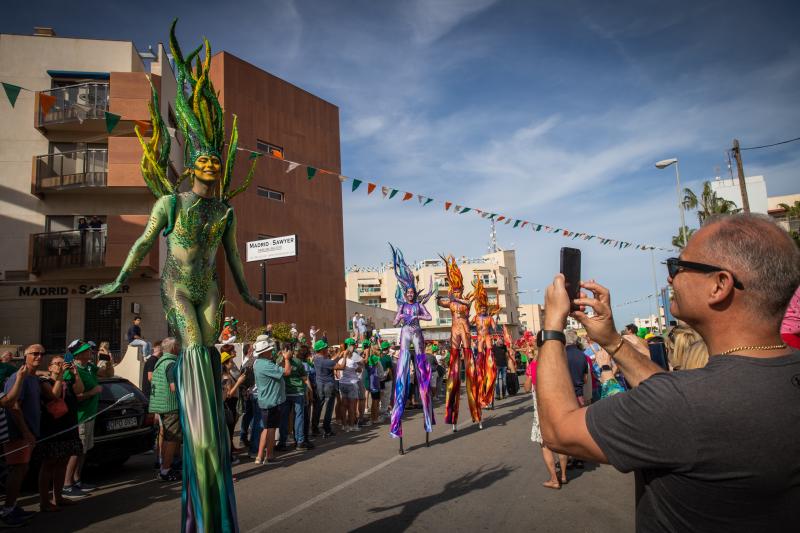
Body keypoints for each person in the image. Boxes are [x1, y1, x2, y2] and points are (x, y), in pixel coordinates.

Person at [537, 213, 800, 531]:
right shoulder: (759, 378)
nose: (670, 279)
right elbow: (670, 391)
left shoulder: (685, 404)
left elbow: (557, 430)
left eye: (677, 266)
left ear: (720, 285)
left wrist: (552, 326)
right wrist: (612, 341)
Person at [37, 353, 84, 511]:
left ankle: (59, 497)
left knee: (62, 463)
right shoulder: (45, 382)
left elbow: (80, 390)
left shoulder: (67, 381)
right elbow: (54, 396)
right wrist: (60, 377)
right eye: (57, 363)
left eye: (63, 363)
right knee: (49, 464)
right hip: (52, 429)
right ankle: (44, 501)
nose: (60, 366)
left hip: (69, 427)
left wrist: (76, 375)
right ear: (50, 367)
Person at [1, 346, 40, 526]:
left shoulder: (32, 378)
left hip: (28, 433)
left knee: (22, 468)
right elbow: (13, 405)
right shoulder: (18, 377)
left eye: (42, 354)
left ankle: (12, 506)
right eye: (35, 354)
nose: (39, 357)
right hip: (18, 433)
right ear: (25, 357)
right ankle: (8, 511)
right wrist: (25, 431)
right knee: (17, 469)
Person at [63, 340, 108, 496]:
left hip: (90, 414)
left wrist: (107, 358)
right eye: (86, 350)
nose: (90, 351)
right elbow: (73, 396)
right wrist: (92, 392)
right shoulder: (71, 371)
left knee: (84, 450)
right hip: (79, 416)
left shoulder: (89, 367)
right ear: (78, 354)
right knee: (76, 450)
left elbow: (107, 374)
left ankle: (77, 480)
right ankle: (67, 485)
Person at [523, 348, 567, 489]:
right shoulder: (557, 364)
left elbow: (526, 387)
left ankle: (554, 480)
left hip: (542, 410)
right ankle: (564, 475)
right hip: (559, 407)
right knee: (560, 442)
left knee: (545, 445)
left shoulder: (534, 366)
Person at [253, 336, 291, 464]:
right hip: (272, 401)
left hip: (265, 400)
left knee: (266, 428)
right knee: (271, 429)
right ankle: (269, 456)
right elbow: (287, 372)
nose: (271, 352)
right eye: (269, 350)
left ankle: (259, 456)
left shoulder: (258, 363)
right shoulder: (266, 364)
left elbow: (276, 370)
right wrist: (286, 359)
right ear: (264, 352)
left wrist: (280, 360)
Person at [275, 343, 314, 451]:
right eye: (289, 350)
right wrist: (309, 391)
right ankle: (298, 442)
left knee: (288, 418)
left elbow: (305, 378)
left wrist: (309, 391)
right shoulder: (290, 361)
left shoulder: (281, 361)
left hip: (292, 393)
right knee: (296, 417)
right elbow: (305, 378)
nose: (290, 352)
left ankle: (287, 442)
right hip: (293, 393)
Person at [311, 340, 345, 437]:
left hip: (319, 384)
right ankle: (327, 428)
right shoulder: (326, 361)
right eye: (325, 348)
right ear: (321, 350)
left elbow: (332, 362)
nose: (327, 349)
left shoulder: (316, 358)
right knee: (329, 408)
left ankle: (315, 428)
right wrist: (344, 356)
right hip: (328, 386)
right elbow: (341, 367)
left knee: (318, 407)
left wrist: (339, 355)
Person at [220, 348, 242, 464]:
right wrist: (239, 382)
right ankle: (228, 457)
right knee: (229, 431)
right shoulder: (226, 377)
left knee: (230, 430)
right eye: (229, 362)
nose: (232, 363)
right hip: (230, 404)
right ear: (225, 364)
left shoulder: (226, 375)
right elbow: (229, 394)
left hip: (229, 404)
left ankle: (230, 453)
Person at [339, 339, 363, 432]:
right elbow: (360, 370)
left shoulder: (341, 360)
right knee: (352, 406)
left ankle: (344, 425)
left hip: (342, 383)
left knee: (344, 405)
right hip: (351, 384)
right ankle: (352, 425)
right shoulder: (352, 362)